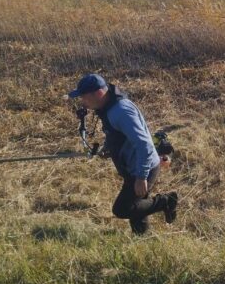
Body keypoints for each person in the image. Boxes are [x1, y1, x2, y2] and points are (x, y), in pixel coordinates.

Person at [68, 73, 178, 234]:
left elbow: (144, 145)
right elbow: (117, 135)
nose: (83, 102)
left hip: (141, 167)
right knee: (137, 208)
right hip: (133, 166)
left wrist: (141, 177)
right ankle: (142, 239)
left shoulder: (120, 111)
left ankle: (166, 201)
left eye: (84, 97)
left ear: (98, 94)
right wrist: (108, 148)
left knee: (123, 208)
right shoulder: (109, 107)